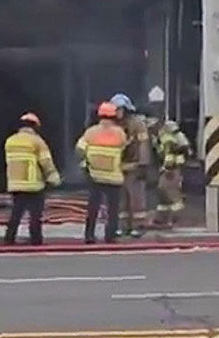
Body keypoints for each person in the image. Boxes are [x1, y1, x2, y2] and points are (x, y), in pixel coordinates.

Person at [3, 112, 61, 246]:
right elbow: (46, 163)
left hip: (15, 184)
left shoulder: (10, 141)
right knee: (35, 216)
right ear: (35, 126)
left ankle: (9, 238)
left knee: (16, 213)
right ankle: (36, 240)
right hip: (34, 185)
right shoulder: (37, 141)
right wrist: (54, 179)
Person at [77, 102, 127, 244]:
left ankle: (89, 236)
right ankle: (110, 236)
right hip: (114, 177)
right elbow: (124, 151)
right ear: (114, 116)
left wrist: (85, 165)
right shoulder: (120, 133)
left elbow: (79, 150)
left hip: (95, 175)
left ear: (99, 115)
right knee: (113, 210)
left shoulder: (90, 132)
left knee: (93, 207)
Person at [110, 92, 150, 237]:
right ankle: (122, 226)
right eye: (115, 109)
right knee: (121, 200)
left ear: (126, 109)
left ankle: (138, 226)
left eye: (119, 109)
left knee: (136, 198)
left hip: (134, 166)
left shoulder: (137, 124)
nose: (117, 112)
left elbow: (143, 144)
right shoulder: (113, 125)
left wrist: (143, 163)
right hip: (118, 167)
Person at [152, 120, 192, 228]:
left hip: (171, 169)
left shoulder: (166, 139)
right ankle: (161, 218)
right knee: (163, 191)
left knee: (170, 192)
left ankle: (175, 219)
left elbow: (169, 155)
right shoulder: (167, 137)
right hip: (172, 167)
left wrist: (168, 169)